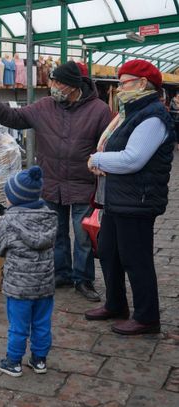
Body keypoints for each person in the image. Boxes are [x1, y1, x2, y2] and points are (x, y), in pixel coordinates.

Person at [0, 61, 111, 302]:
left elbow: (107, 145)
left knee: (83, 236)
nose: (52, 86)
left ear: (73, 86)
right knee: (57, 234)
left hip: (84, 184)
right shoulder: (45, 106)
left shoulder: (99, 110)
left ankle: (83, 279)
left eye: (58, 82)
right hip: (51, 183)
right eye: (52, 81)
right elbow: (14, 117)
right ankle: (61, 274)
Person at [85, 60, 176, 335]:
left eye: (124, 82)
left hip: (137, 200)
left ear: (142, 84)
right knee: (110, 252)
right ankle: (115, 304)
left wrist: (98, 158)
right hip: (117, 199)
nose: (119, 87)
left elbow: (133, 159)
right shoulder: (129, 113)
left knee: (136, 260)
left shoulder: (152, 117)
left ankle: (147, 318)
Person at [0, 166, 58, 377]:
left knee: (18, 326)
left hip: (18, 288)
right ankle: (39, 360)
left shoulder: (9, 220)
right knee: (42, 324)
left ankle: (14, 362)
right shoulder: (49, 217)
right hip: (44, 286)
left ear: (16, 198)